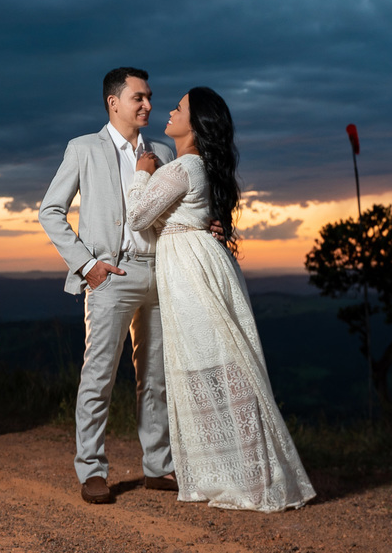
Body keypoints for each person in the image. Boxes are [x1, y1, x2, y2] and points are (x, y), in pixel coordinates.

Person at [126, 87, 316, 512]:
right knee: (222, 363)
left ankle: (243, 476)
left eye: (179, 107)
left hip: (190, 270)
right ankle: (244, 473)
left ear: (195, 125)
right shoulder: (200, 167)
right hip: (200, 263)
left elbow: (138, 216)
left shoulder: (183, 166)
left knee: (210, 364)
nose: (169, 111)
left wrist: (141, 172)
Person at [38, 67, 177, 504]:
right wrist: (87, 265)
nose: (148, 105)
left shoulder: (163, 150)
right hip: (111, 276)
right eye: (139, 97)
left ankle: (158, 466)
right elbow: (50, 211)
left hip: (159, 273)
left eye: (149, 97)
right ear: (113, 102)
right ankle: (92, 470)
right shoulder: (83, 148)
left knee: (155, 378)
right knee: (98, 376)